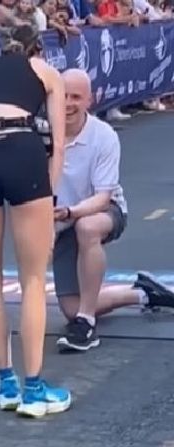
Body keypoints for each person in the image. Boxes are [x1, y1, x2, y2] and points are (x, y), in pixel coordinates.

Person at [0, 24, 69, 418]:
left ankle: (6, 382)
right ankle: (34, 389)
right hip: (22, 150)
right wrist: (48, 198)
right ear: (35, 51)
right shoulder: (46, 73)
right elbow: (58, 145)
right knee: (33, 279)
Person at [53, 69, 174, 352]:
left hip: (104, 211)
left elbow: (103, 197)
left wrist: (71, 213)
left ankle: (86, 323)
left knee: (87, 228)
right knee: (69, 308)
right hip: (61, 219)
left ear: (89, 101)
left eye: (76, 97)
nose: (68, 103)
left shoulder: (103, 135)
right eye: (63, 96)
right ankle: (140, 294)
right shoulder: (43, 134)